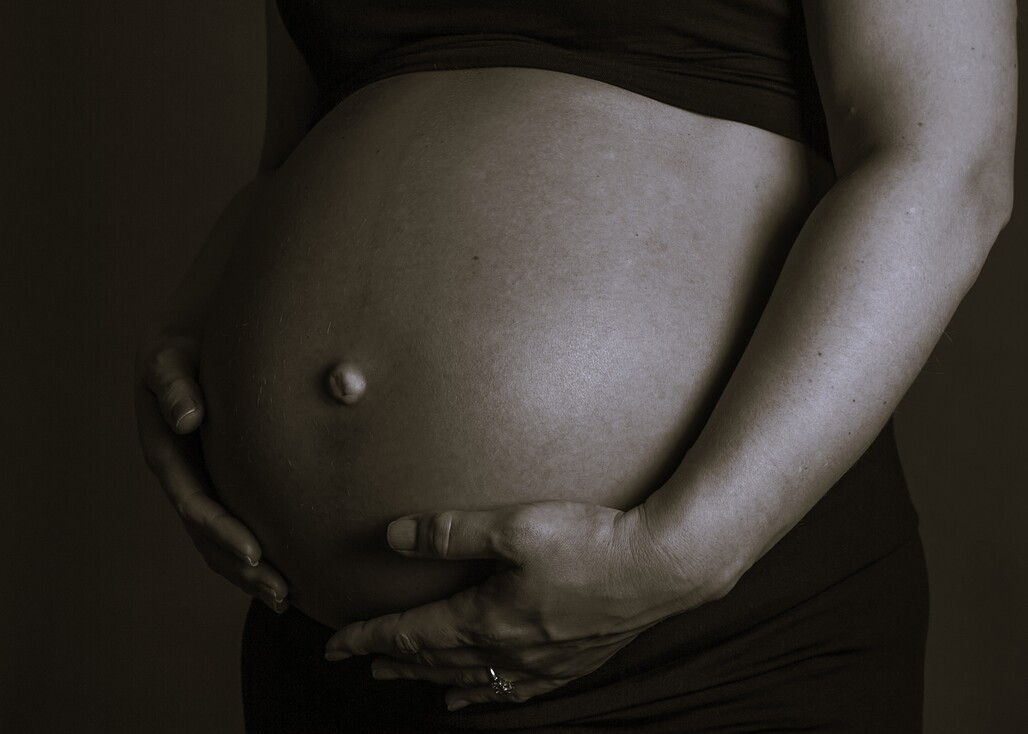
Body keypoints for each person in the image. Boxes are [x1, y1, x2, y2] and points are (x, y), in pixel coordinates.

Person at [135, 1, 1016, 731]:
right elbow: (288, 157)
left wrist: (679, 556)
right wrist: (190, 338)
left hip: (702, 644)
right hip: (333, 654)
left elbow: (944, 164)